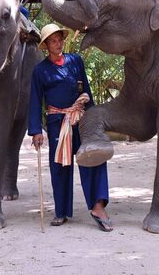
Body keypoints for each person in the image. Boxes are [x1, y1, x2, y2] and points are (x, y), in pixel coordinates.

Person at [28, 23, 113, 232]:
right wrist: (36, 130)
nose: (58, 44)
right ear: (46, 45)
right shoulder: (40, 71)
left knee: (93, 157)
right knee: (60, 166)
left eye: (60, 40)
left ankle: (98, 206)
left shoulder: (76, 61)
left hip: (81, 120)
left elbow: (87, 89)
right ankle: (62, 211)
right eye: (53, 41)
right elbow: (34, 100)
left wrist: (93, 119)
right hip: (58, 123)